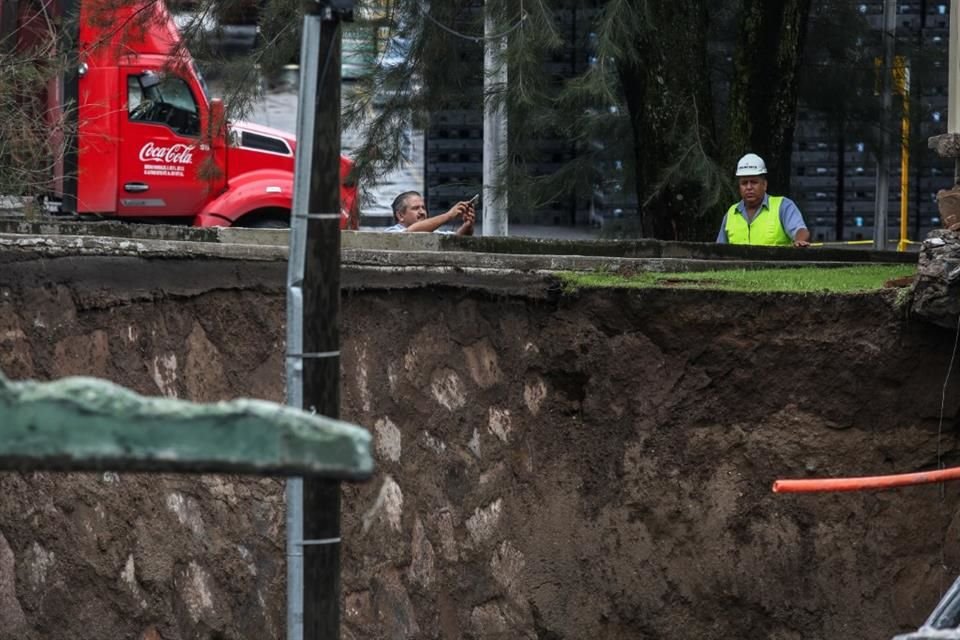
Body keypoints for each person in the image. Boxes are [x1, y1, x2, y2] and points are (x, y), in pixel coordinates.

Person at [717, 153, 811, 247]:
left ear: (764, 185)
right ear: (739, 187)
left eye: (754, 182)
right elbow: (719, 249)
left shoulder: (783, 206)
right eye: (744, 183)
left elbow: (800, 230)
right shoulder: (731, 213)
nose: (749, 187)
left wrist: (799, 240)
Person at [385, 191, 475, 236]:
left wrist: (467, 225)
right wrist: (448, 216)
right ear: (400, 215)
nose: (422, 212)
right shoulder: (391, 233)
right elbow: (409, 233)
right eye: (415, 208)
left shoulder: (432, 232)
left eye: (423, 208)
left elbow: (455, 239)